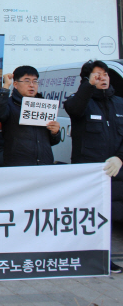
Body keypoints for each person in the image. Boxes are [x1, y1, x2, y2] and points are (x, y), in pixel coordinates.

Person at [64, 60, 123, 273]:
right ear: (87, 79)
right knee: (91, 216)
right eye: (97, 75)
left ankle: (106, 257)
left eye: (105, 74)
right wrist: (88, 87)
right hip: (89, 173)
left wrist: (120, 157)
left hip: (116, 171)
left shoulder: (120, 103)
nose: (103, 78)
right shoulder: (79, 102)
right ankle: (87, 257)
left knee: (112, 217)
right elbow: (74, 109)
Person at [0, 66, 60, 166]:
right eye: (27, 81)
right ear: (15, 84)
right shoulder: (8, 104)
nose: (32, 85)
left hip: (44, 163)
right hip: (18, 164)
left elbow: (52, 141)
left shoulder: (44, 106)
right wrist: (6, 86)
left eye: (35, 81)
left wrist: (55, 132)